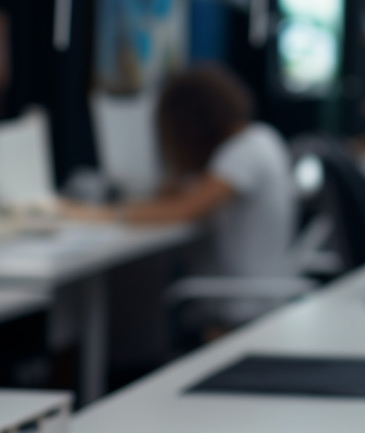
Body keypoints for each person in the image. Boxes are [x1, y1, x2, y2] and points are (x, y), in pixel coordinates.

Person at [65, 63, 296, 326]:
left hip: (240, 307)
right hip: (254, 294)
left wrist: (98, 214)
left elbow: (184, 209)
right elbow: (176, 192)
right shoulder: (261, 137)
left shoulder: (242, 153)